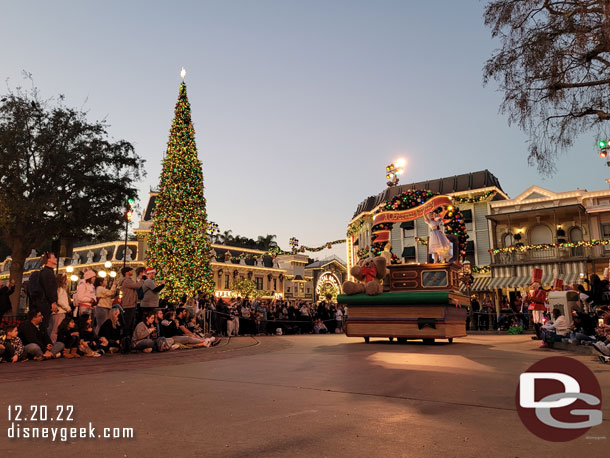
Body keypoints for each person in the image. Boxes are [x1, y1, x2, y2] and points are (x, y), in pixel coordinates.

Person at [33, 252, 59, 332]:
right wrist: (53, 302)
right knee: (46, 325)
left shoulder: (47, 272)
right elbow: (49, 289)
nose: (56, 259)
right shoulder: (47, 273)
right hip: (46, 303)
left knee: (48, 325)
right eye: (54, 257)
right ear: (49, 260)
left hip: (45, 302)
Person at [119, 267, 145, 337]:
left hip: (131, 303)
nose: (132, 272)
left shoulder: (129, 280)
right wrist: (142, 279)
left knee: (131, 323)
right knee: (128, 323)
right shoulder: (126, 281)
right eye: (131, 271)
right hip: (129, 304)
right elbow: (137, 285)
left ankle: (128, 338)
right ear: (127, 272)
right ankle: (125, 339)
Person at [49, 274, 72, 343]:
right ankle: (52, 343)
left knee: (56, 329)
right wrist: (67, 308)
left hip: (61, 311)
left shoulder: (60, 289)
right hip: (59, 312)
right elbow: (59, 300)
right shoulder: (60, 289)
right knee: (56, 329)